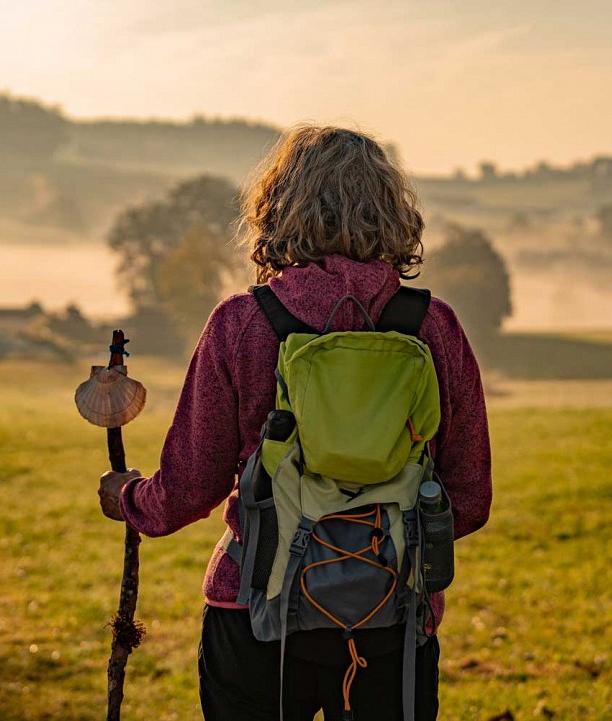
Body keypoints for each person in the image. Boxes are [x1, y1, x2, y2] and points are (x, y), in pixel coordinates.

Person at [98, 123, 492, 720]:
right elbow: (469, 497)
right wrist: (371, 548)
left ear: (279, 209)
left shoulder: (242, 324)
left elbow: (188, 488)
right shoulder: (433, 325)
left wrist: (128, 497)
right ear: (393, 209)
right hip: (393, 621)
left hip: (257, 613)